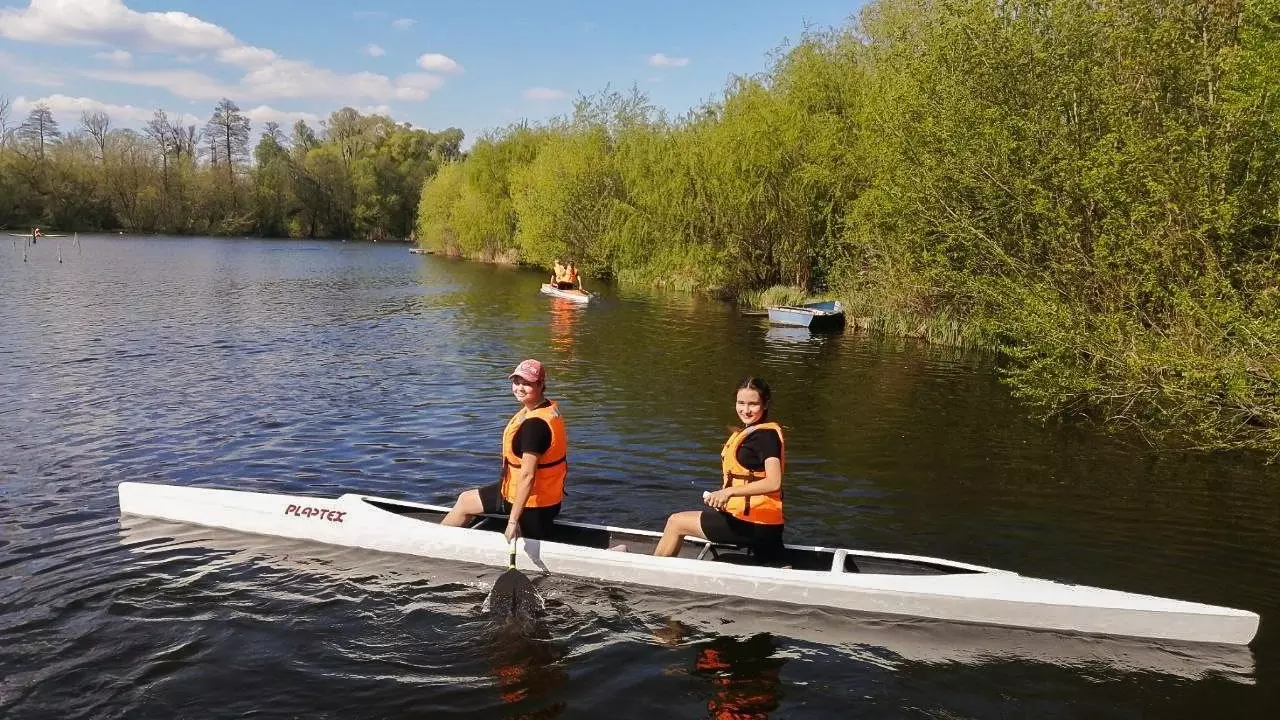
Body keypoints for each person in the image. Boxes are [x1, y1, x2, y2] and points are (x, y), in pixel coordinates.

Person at [654, 377, 785, 563]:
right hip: (752, 521)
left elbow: (774, 482)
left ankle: (655, 570)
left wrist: (728, 492)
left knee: (676, 522)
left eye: (753, 404)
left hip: (755, 525)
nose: (746, 410)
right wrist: (724, 499)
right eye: (741, 403)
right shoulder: (751, 433)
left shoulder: (766, 437)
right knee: (681, 520)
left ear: (765, 405)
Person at [441, 359, 568, 541]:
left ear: (540, 385)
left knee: (465, 503)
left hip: (531, 504)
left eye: (527, 383)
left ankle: (436, 542)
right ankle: (440, 537)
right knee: (465, 500)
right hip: (544, 498)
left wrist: (512, 521)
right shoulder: (544, 409)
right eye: (516, 382)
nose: (520, 388)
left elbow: (527, 476)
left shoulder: (535, 425)